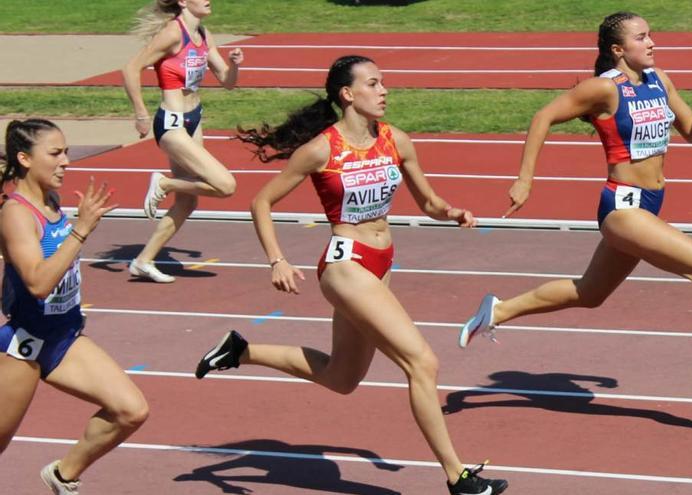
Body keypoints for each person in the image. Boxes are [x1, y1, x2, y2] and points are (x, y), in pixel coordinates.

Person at [194, 55, 508, 495]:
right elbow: (260, 202)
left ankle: (241, 351)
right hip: (345, 264)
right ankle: (457, 477)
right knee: (422, 362)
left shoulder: (396, 140)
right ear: (347, 94)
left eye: (384, 83)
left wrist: (451, 212)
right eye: (374, 84)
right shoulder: (322, 149)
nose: (384, 91)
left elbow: (429, 202)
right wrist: (276, 259)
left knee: (342, 379)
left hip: (381, 263)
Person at [459, 12, 692, 402]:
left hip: (650, 204)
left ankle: (496, 311)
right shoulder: (603, 90)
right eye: (641, 37)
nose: (652, 43)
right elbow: (543, 116)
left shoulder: (659, 80)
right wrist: (525, 179)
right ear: (618, 49)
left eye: (651, 36)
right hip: (622, 207)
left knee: (591, 293)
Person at [0, 119, 149, 494]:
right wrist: (81, 230)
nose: (66, 161)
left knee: (131, 411)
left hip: (64, 337)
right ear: (24, 159)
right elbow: (37, 282)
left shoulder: (50, 199)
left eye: (66, 151)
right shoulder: (16, 214)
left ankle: (63, 476)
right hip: (25, 345)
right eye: (55, 153)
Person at [122, 0, 244, 283]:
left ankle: (143, 261)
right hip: (172, 122)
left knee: (187, 203)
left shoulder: (203, 33)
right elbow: (130, 69)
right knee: (226, 185)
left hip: (194, 118)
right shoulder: (173, 33)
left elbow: (226, 80)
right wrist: (140, 113)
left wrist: (235, 66)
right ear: (182, 2)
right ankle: (163, 183)